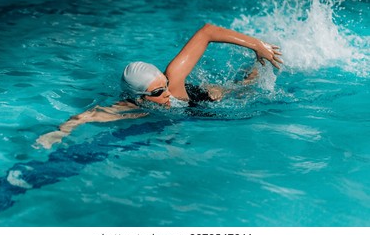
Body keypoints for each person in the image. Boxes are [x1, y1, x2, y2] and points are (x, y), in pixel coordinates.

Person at [35, 23, 282, 149]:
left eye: (163, 86)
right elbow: (85, 117)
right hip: (179, 112)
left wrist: (256, 44)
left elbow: (207, 31)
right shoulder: (129, 106)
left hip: (199, 98)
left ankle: (264, 58)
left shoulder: (172, 80)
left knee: (241, 88)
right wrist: (56, 134)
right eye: (157, 92)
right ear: (139, 97)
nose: (166, 94)